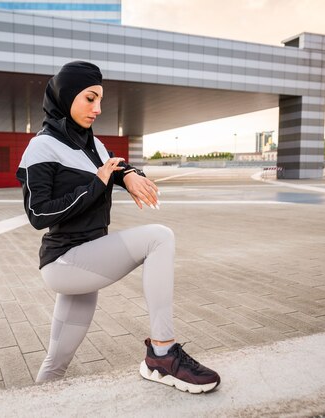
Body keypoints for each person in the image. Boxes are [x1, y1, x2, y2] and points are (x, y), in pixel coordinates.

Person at [16, 61, 220, 394]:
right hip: (64, 261)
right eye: (89, 98)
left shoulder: (90, 143)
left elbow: (115, 164)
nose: (97, 109)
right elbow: (38, 213)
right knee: (158, 238)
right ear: (67, 97)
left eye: (100, 100)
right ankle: (163, 354)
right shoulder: (42, 146)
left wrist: (128, 175)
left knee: (55, 365)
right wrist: (97, 183)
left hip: (85, 261)